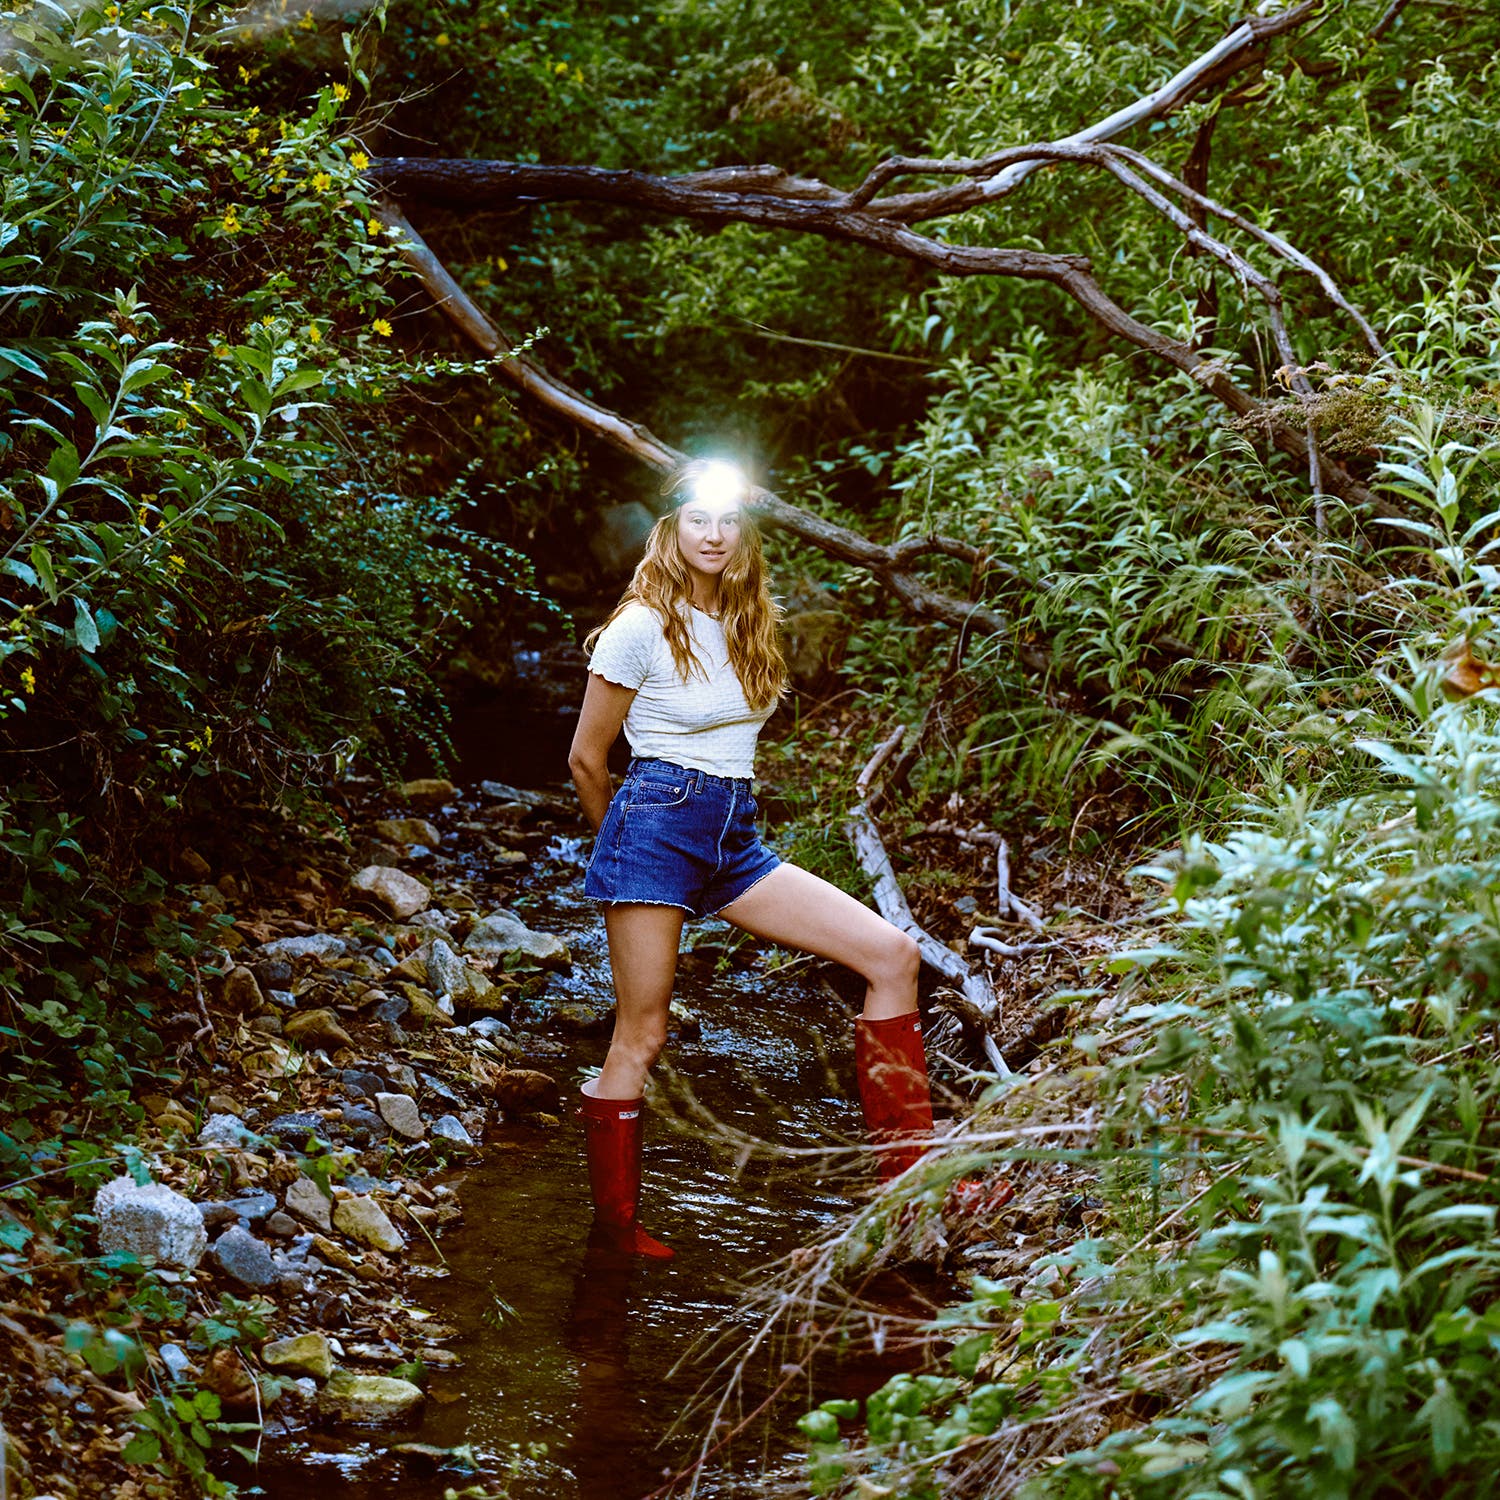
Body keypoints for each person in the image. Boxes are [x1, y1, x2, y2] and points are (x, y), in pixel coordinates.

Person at [567, 459, 934, 1260]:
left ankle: (908, 1194)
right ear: (670, 528)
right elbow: (587, 761)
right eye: (698, 518)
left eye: (728, 520)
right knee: (643, 1032)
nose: (713, 533)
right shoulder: (640, 626)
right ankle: (617, 1234)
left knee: (891, 956)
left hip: (734, 834)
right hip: (654, 824)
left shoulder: (747, 618)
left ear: (745, 532)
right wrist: (625, 856)